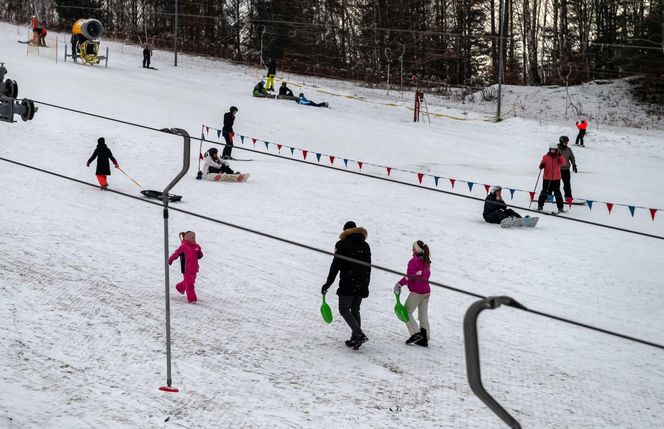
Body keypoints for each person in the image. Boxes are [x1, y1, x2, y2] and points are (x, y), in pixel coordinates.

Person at [321, 221, 371, 349]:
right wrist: (366, 286)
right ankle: (355, 338)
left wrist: (328, 283)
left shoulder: (341, 244)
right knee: (355, 309)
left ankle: (359, 334)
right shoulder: (365, 245)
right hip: (361, 282)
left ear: (345, 231)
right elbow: (368, 268)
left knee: (344, 309)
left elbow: (335, 265)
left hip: (348, 282)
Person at [393, 240, 431, 347]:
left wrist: (399, 284)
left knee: (407, 312)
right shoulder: (426, 260)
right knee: (423, 315)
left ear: (416, 249)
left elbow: (409, 276)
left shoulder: (413, 261)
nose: (411, 250)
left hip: (417, 292)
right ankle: (425, 337)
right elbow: (422, 274)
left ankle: (416, 334)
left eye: (413, 248)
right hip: (426, 292)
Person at [168, 231, 203, 303]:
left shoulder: (197, 246)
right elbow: (176, 254)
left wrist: (199, 251)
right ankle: (192, 299)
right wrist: (170, 260)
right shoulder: (183, 247)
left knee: (190, 281)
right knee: (190, 285)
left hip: (194, 269)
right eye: (191, 237)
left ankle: (179, 287)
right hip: (186, 269)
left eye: (194, 237)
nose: (193, 239)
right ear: (187, 238)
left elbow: (200, 255)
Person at [537, 142, 567, 213]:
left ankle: (560, 207)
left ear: (556, 150)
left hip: (556, 178)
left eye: (554, 150)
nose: (552, 151)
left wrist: (560, 156)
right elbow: (542, 163)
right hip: (547, 178)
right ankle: (540, 206)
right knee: (544, 191)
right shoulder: (546, 157)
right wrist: (542, 165)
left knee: (557, 193)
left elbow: (564, 163)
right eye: (551, 150)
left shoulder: (559, 157)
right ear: (549, 150)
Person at [557, 136, 578, 200]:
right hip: (557, 170)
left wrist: (574, 164)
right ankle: (549, 196)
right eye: (565, 142)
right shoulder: (556, 148)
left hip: (566, 169)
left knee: (567, 184)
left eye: (567, 142)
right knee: (555, 184)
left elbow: (572, 157)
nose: (566, 143)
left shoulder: (568, 149)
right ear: (561, 141)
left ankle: (568, 197)